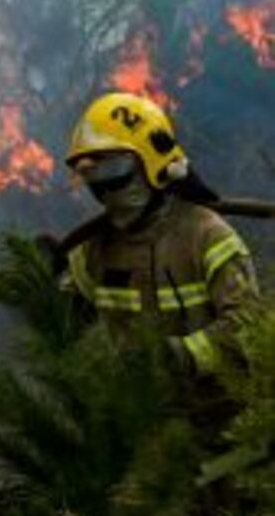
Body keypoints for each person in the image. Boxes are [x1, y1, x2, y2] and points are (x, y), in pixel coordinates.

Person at [62, 92, 261, 432]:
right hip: (145, 431)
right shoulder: (93, 252)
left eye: (114, 168)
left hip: (226, 425)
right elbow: (70, 322)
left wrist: (180, 356)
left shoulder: (206, 236)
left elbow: (248, 329)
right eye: (92, 175)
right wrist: (43, 275)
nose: (105, 187)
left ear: (152, 161)